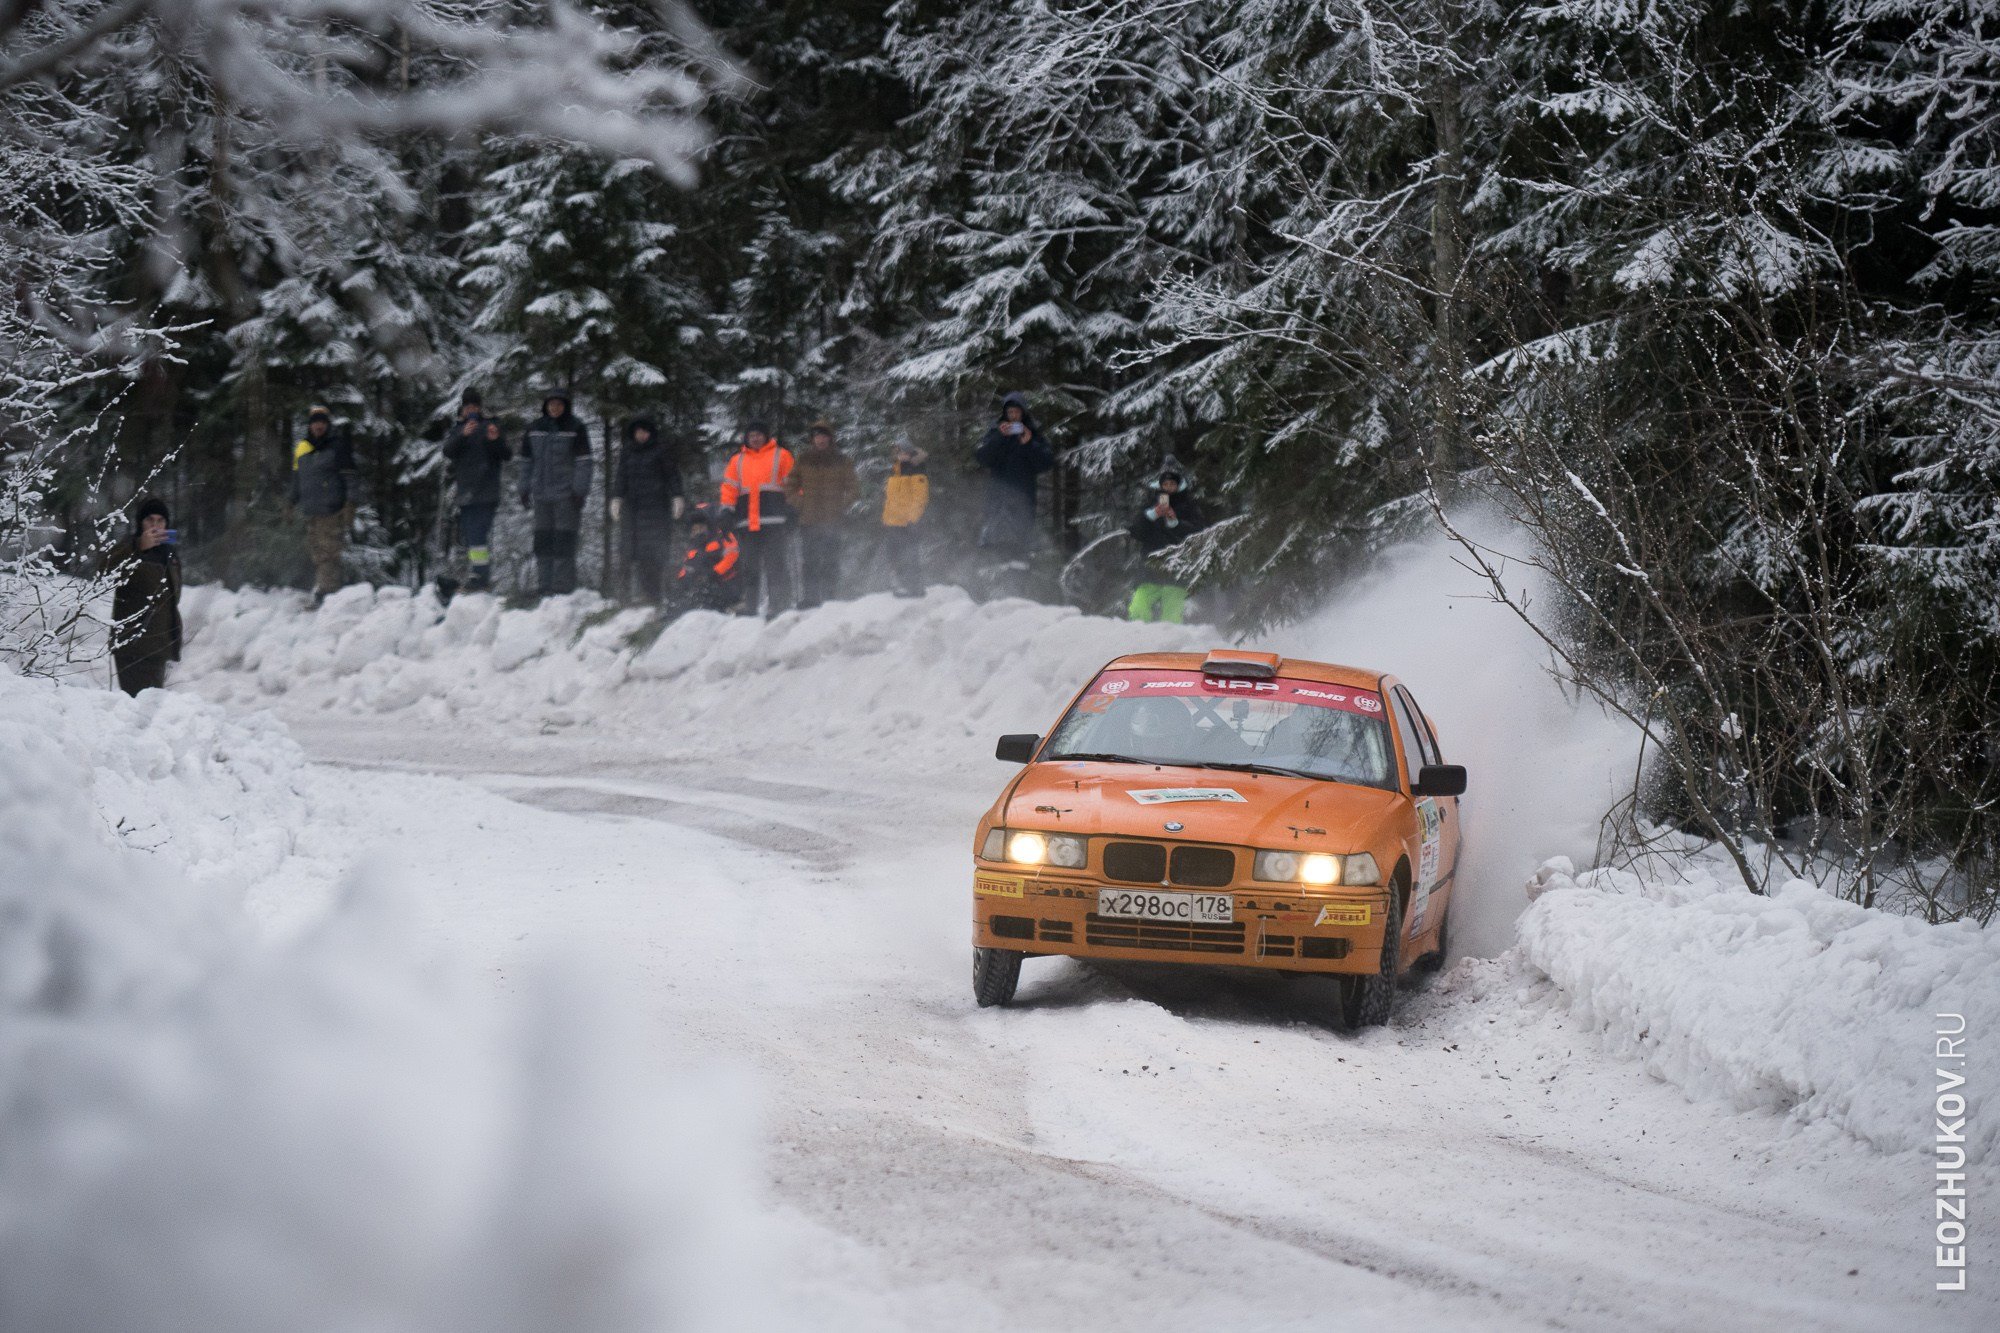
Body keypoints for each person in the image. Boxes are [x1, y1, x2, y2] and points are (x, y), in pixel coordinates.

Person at [973, 390, 1054, 592]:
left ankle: (1018, 591)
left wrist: (1029, 444)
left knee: (1021, 546)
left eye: (1017, 413)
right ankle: (997, 590)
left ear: (1023, 413)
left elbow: (1046, 462)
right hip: (998, 500)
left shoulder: (1033, 435)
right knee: (997, 545)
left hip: (1023, 501)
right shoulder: (996, 432)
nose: (1014, 417)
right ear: (1005, 413)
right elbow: (982, 457)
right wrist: (1000, 437)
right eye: (1010, 412)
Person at [517, 389, 594, 597]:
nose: (555, 408)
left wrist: (580, 491)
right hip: (541, 495)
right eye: (551, 404)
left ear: (565, 406)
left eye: (559, 404)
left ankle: (562, 586)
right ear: (546, 405)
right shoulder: (534, 429)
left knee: (564, 541)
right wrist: (523, 489)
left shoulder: (576, 427)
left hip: (566, 495)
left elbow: (584, 462)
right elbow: (525, 461)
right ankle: (544, 585)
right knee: (542, 541)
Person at [717, 421, 795, 616]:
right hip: (746, 523)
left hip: (774, 521)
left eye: (759, 434)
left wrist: (793, 508)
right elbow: (729, 489)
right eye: (751, 435)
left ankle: (779, 605)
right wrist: (726, 511)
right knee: (749, 567)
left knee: (776, 566)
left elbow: (792, 485)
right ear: (746, 438)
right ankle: (750, 605)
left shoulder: (781, 455)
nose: (755, 438)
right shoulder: (738, 461)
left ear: (766, 435)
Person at [110, 498, 182, 696]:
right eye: (150, 520)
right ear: (140, 523)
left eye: (160, 520)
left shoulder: (169, 554)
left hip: (159, 647)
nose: (156, 525)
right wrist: (137, 548)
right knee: (139, 707)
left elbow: (171, 600)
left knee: (150, 705)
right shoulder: (129, 548)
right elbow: (105, 571)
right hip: (133, 647)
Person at [441, 390, 508, 593]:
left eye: (474, 407)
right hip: (466, 492)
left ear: (480, 408)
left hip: (487, 491)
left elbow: (506, 454)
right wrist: (463, 435)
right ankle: (478, 573)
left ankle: (481, 575)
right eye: (467, 407)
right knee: (471, 537)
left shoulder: (490, 426)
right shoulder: (458, 429)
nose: (471, 410)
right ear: (462, 409)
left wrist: (495, 440)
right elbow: (448, 451)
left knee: (479, 535)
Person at [612, 415, 684, 603]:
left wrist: (677, 496)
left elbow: (672, 475)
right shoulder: (627, 452)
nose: (641, 435)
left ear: (650, 433)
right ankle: (634, 594)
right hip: (633, 510)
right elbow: (621, 477)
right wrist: (617, 497)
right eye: (638, 431)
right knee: (632, 553)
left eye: (645, 431)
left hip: (656, 509)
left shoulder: (661, 451)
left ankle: (658, 594)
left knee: (654, 553)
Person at [788, 418, 857, 609]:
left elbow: (853, 488)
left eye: (824, 436)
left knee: (830, 560)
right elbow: (790, 485)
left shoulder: (842, 461)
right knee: (809, 561)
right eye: (817, 436)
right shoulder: (803, 460)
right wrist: (799, 503)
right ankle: (810, 598)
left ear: (830, 438)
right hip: (808, 519)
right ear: (812, 439)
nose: (820, 440)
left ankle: (830, 597)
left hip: (832, 520)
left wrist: (841, 505)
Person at [289, 405, 356, 603]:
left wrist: (350, 503)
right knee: (318, 553)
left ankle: (329, 595)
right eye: (315, 422)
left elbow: (351, 477)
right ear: (310, 426)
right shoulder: (302, 448)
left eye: (322, 422)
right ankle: (329, 593)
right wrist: (290, 502)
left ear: (327, 425)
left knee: (329, 554)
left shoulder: (337, 447)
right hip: (311, 511)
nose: (318, 426)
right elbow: (296, 479)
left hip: (331, 510)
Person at [1126, 465, 1206, 623]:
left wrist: (1176, 524)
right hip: (1149, 568)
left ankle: (1171, 646)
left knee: (1172, 617)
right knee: (1137, 608)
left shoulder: (1189, 507)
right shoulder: (1149, 506)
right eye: (1166, 484)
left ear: (1179, 486)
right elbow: (1135, 533)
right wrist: (1150, 516)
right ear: (1160, 486)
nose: (1169, 488)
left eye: (1172, 484)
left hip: (1177, 569)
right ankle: (1138, 640)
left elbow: (1200, 534)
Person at [880, 441, 929, 598]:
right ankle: (901, 585)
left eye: (904, 453)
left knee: (910, 555)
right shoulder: (894, 472)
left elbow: (920, 496)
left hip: (908, 522)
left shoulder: (917, 471)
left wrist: (912, 518)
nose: (901, 456)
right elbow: (889, 497)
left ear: (911, 454)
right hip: (893, 521)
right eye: (898, 453)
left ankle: (914, 587)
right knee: (894, 555)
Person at [676, 502, 742, 612]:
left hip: (725, 583)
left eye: (700, 527)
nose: (698, 531)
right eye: (694, 529)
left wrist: (713, 573)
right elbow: (686, 566)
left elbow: (732, 556)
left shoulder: (723, 536)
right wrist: (683, 578)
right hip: (701, 586)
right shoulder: (692, 546)